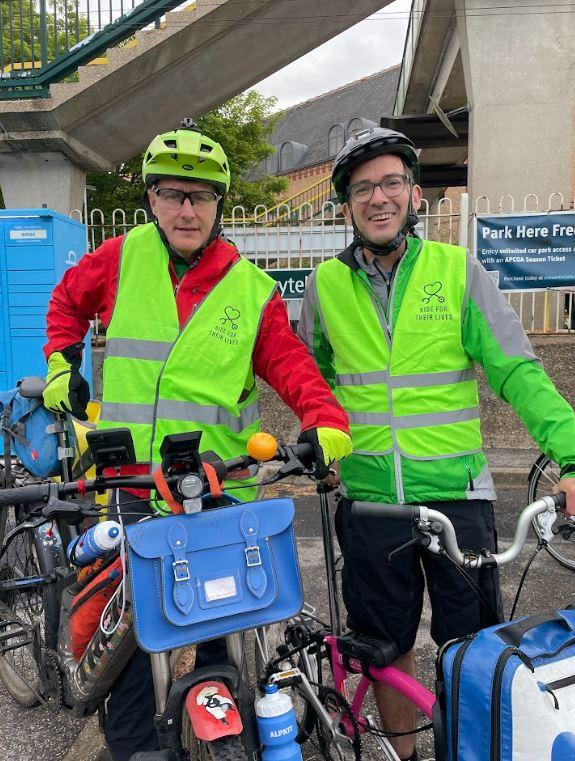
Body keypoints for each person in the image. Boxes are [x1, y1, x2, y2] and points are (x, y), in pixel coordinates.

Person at [43, 118, 352, 761]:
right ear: (152, 199)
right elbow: (67, 304)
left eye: (202, 195)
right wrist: (59, 365)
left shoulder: (250, 289)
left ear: (218, 204)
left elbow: (291, 365)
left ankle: (224, 731)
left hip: (215, 482)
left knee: (228, 631)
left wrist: (327, 422)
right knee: (125, 639)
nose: (188, 208)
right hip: (128, 480)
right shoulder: (120, 258)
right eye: (174, 194)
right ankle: (130, 748)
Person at [298, 126, 575, 761]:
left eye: (391, 182)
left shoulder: (458, 271)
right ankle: (405, 756)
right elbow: (311, 383)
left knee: (472, 653)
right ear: (346, 206)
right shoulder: (324, 287)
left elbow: (517, 371)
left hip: (459, 501)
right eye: (362, 188)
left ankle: (463, 750)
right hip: (370, 507)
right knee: (383, 650)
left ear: (415, 195)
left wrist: (572, 453)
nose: (378, 197)